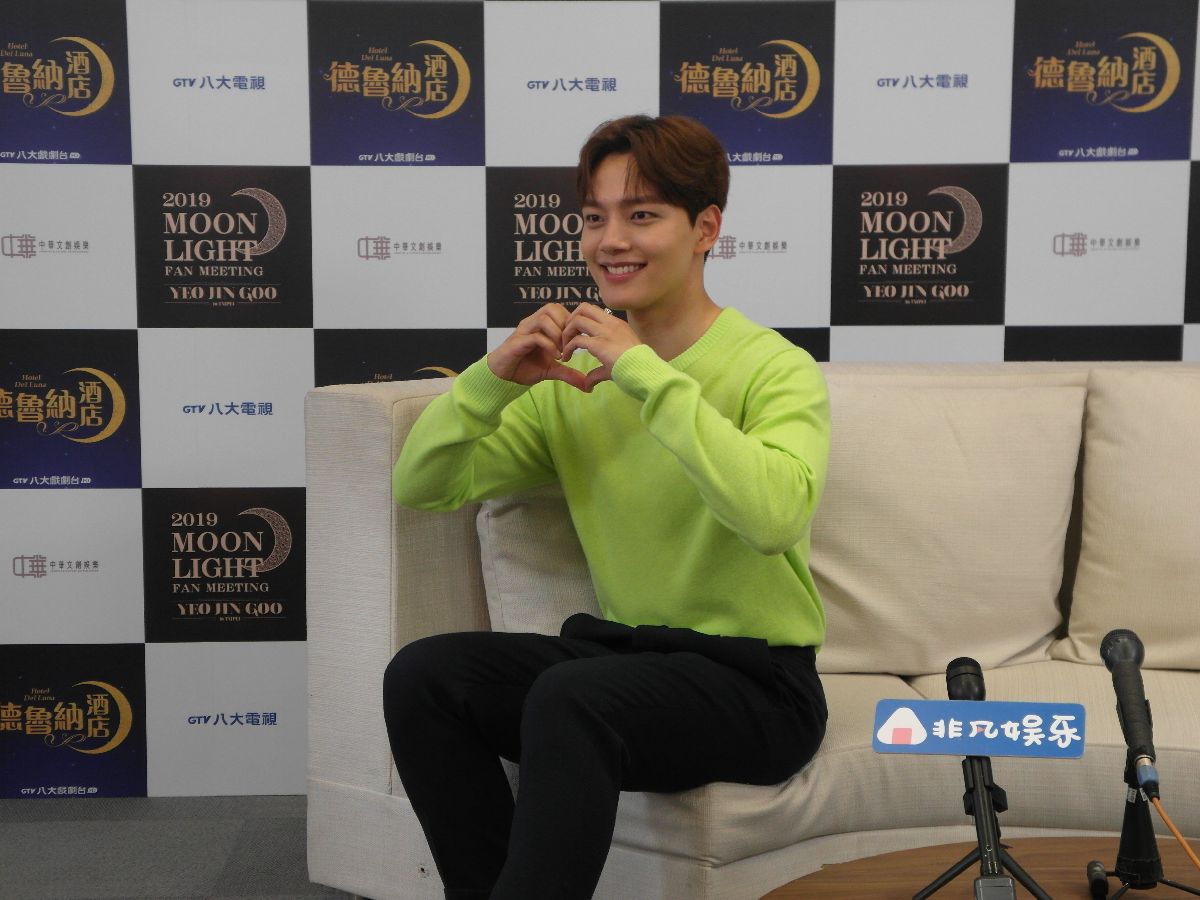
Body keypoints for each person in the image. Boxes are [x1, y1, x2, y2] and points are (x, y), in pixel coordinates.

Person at [383, 114, 831, 900]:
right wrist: (491, 381)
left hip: (761, 686)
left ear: (705, 229)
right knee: (425, 677)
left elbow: (773, 518)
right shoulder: (574, 384)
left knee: (572, 697)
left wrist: (647, 375)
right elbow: (422, 485)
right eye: (594, 218)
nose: (610, 241)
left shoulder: (774, 367)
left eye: (641, 214)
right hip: (628, 662)